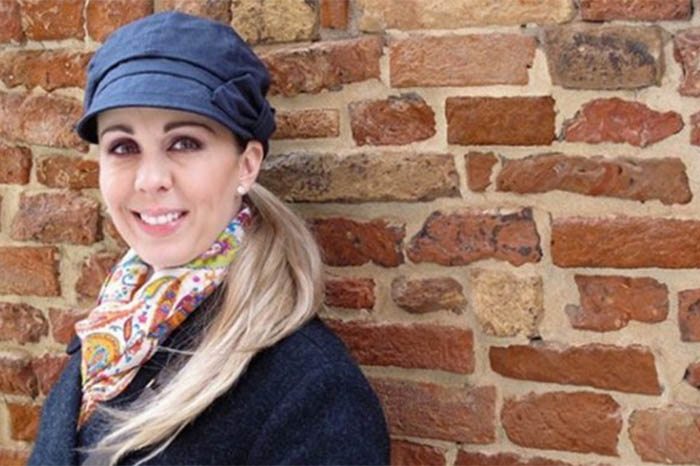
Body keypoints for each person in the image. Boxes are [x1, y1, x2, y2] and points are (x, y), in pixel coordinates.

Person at [28, 11, 390, 466]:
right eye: (123, 147)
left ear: (247, 165)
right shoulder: (112, 331)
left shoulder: (310, 392)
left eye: (184, 143)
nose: (151, 179)